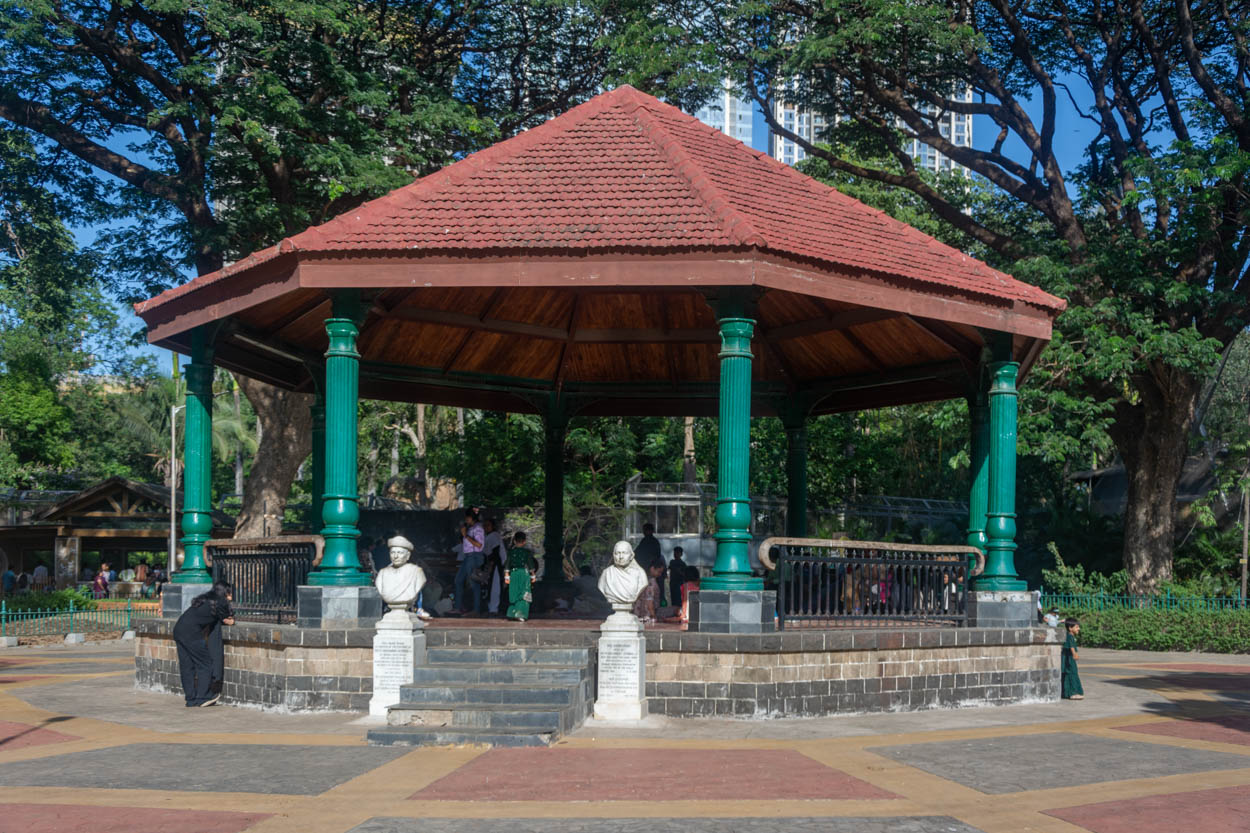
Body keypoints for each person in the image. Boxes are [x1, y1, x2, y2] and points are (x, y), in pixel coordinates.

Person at [173, 581, 235, 707]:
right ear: (226, 592)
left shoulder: (205, 598)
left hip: (179, 629)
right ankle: (203, 697)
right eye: (230, 593)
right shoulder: (221, 601)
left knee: (187, 666)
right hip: (192, 632)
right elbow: (227, 620)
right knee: (205, 664)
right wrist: (232, 620)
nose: (231, 596)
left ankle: (191, 699)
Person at [454, 509, 485, 615]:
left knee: (474, 583)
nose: (466, 519)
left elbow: (479, 545)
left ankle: (476, 610)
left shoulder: (478, 528)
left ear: (473, 518)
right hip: (467, 556)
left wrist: (465, 535)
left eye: (468, 517)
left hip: (474, 556)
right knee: (458, 580)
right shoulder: (470, 528)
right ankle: (457, 607)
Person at [505, 531, 537, 622]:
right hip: (523, 574)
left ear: (514, 541)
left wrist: (506, 576)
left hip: (513, 574)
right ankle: (520, 614)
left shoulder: (510, 552)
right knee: (524, 593)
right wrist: (533, 575)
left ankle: (511, 613)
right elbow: (530, 564)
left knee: (513, 593)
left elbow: (507, 564)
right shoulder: (526, 552)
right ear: (524, 541)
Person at [482, 518, 505, 616]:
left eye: (488, 525)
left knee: (495, 586)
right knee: (491, 586)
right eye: (485, 525)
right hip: (492, 564)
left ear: (493, 526)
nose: (486, 527)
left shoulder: (494, 536)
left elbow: (496, 552)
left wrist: (492, 564)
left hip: (496, 564)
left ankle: (494, 608)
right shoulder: (488, 536)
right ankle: (491, 607)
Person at [1062, 617, 1085, 700]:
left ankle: (1066, 693)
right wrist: (1074, 654)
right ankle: (1074, 693)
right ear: (1070, 628)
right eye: (1077, 627)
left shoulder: (1068, 636)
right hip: (1069, 659)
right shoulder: (1070, 637)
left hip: (1067, 658)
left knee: (1068, 674)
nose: (1079, 629)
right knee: (1073, 673)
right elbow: (1071, 646)